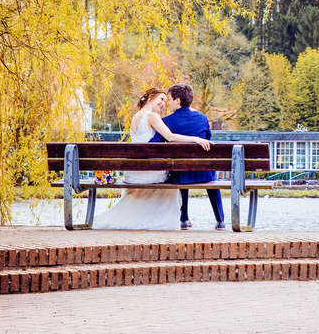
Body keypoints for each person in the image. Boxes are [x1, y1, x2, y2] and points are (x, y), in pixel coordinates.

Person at [92, 88, 211, 230]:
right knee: (174, 179)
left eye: (165, 101)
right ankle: (163, 220)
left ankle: (144, 217)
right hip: (149, 171)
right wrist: (196, 139)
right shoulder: (152, 116)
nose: (163, 104)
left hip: (134, 173)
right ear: (150, 99)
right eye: (161, 99)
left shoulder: (136, 117)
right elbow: (170, 137)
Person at [151, 82, 225, 230]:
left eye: (170, 99)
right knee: (206, 174)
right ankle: (220, 220)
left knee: (181, 170)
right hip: (205, 173)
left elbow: (153, 144)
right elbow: (208, 140)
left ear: (178, 101)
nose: (168, 103)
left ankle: (184, 219)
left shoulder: (166, 121)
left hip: (181, 174)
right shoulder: (203, 119)